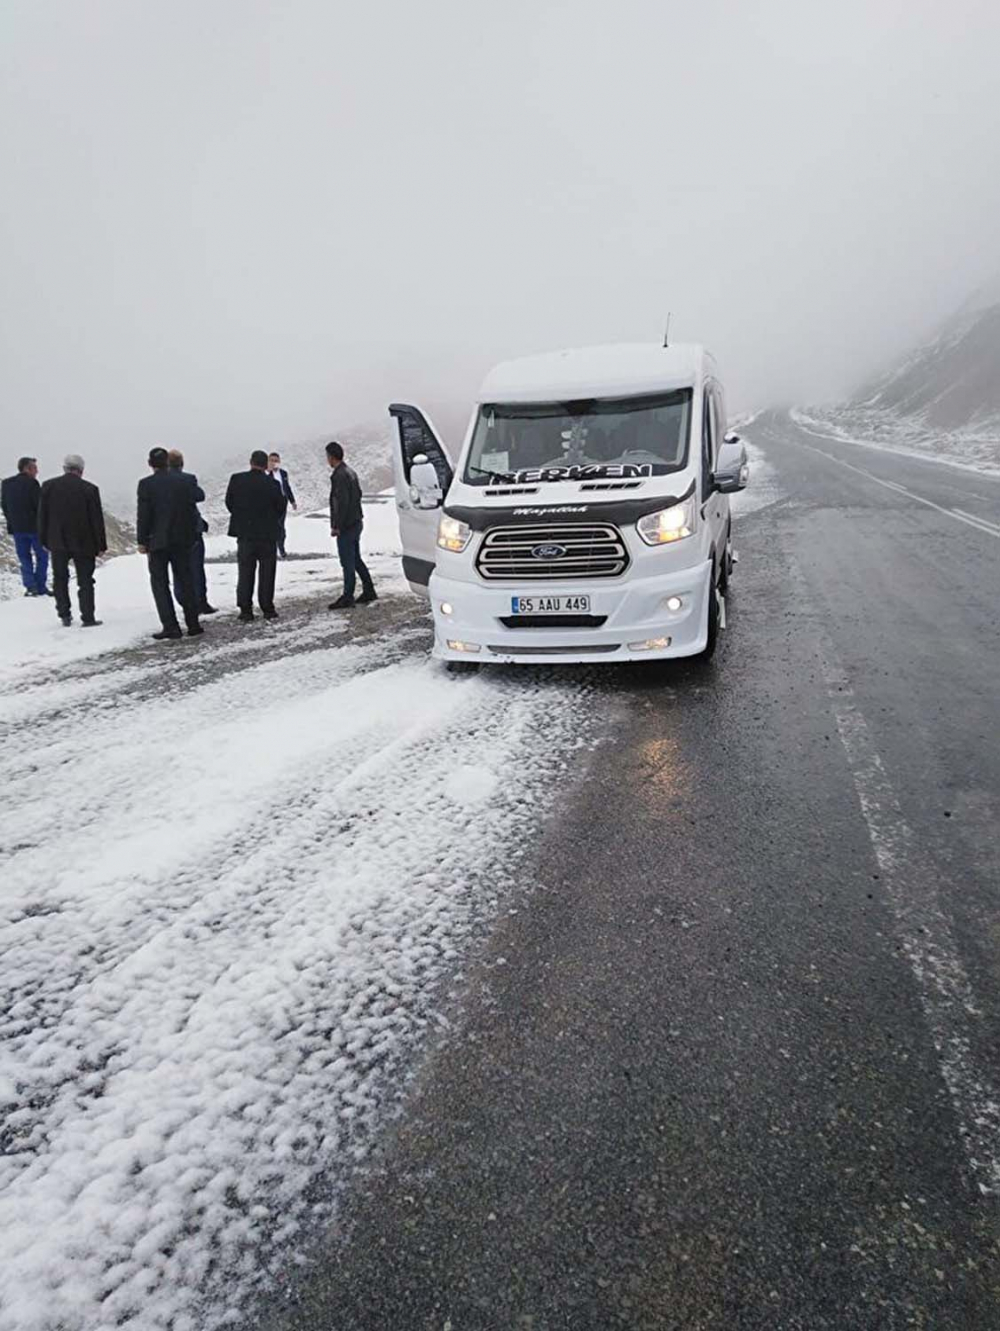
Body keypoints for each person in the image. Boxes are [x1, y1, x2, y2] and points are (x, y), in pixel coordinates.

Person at [136, 447, 203, 640]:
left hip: (158, 541)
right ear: (167, 462)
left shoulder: (146, 485)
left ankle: (171, 626)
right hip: (183, 539)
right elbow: (191, 508)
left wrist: (142, 541)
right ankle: (193, 624)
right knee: (186, 579)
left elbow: (144, 515)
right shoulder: (184, 481)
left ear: (150, 464)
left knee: (160, 584)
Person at [38, 454, 107, 627]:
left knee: (60, 578)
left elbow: (42, 516)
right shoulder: (90, 489)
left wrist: (44, 540)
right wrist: (101, 545)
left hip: (57, 541)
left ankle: (64, 615)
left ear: (64, 468)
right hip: (84, 542)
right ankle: (88, 617)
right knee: (85, 581)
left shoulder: (48, 486)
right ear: (81, 470)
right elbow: (96, 520)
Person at [225, 449, 285, 622]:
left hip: (245, 535)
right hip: (267, 535)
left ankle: (245, 609)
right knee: (267, 572)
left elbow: (230, 503)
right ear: (266, 465)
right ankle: (267, 607)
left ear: (250, 462)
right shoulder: (272, 484)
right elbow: (280, 506)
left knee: (245, 572)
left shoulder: (237, 480)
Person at [326, 440, 376, 610]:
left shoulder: (339, 475)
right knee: (355, 558)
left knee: (347, 561)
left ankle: (348, 596)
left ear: (331, 457)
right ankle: (369, 589)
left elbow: (341, 502)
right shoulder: (350, 472)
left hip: (346, 525)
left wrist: (336, 525)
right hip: (356, 521)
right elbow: (357, 495)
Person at [167, 448, 216, 614]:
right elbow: (200, 496)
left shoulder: (158, 482)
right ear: (181, 464)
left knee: (178, 571)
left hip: (171, 533)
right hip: (192, 531)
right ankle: (201, 602)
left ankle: (184, 601)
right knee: (196, 568)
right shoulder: (188, 479)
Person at [1, 456, 49, 597]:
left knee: (24, 558)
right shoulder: (32, 484)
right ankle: (40, 587)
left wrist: (12, 521)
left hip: (17, 528)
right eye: (34, 468)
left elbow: (4, 505)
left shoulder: (7, 484)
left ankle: (30, 586)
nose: (37, 471)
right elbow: (39, 506)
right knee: (42, 557)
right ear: (27, 468)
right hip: (35, 528)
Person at [267, 451, 297, 558]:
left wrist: (292, 501)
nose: (274, 463)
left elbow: (287, 487)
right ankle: (271, 548)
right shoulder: (266, 474)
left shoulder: (283, 473)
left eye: (276, 461)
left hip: (282, 503)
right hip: (270, 504)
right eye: (272, 460)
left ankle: (281, 547)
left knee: (281, 526)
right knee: (271, 526)